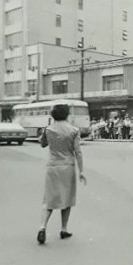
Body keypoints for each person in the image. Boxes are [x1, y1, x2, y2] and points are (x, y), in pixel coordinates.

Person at [37, 104, 86, 245]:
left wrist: (46, 130)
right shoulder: (74, 130)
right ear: (67, 114)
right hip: (67, 166)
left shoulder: (49, 129)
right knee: (67, 198)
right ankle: (64, 228)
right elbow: (78, 152)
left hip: (52, 166)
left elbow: (42, 144)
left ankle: (42, 227)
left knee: (49, 199)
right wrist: (81, 171)